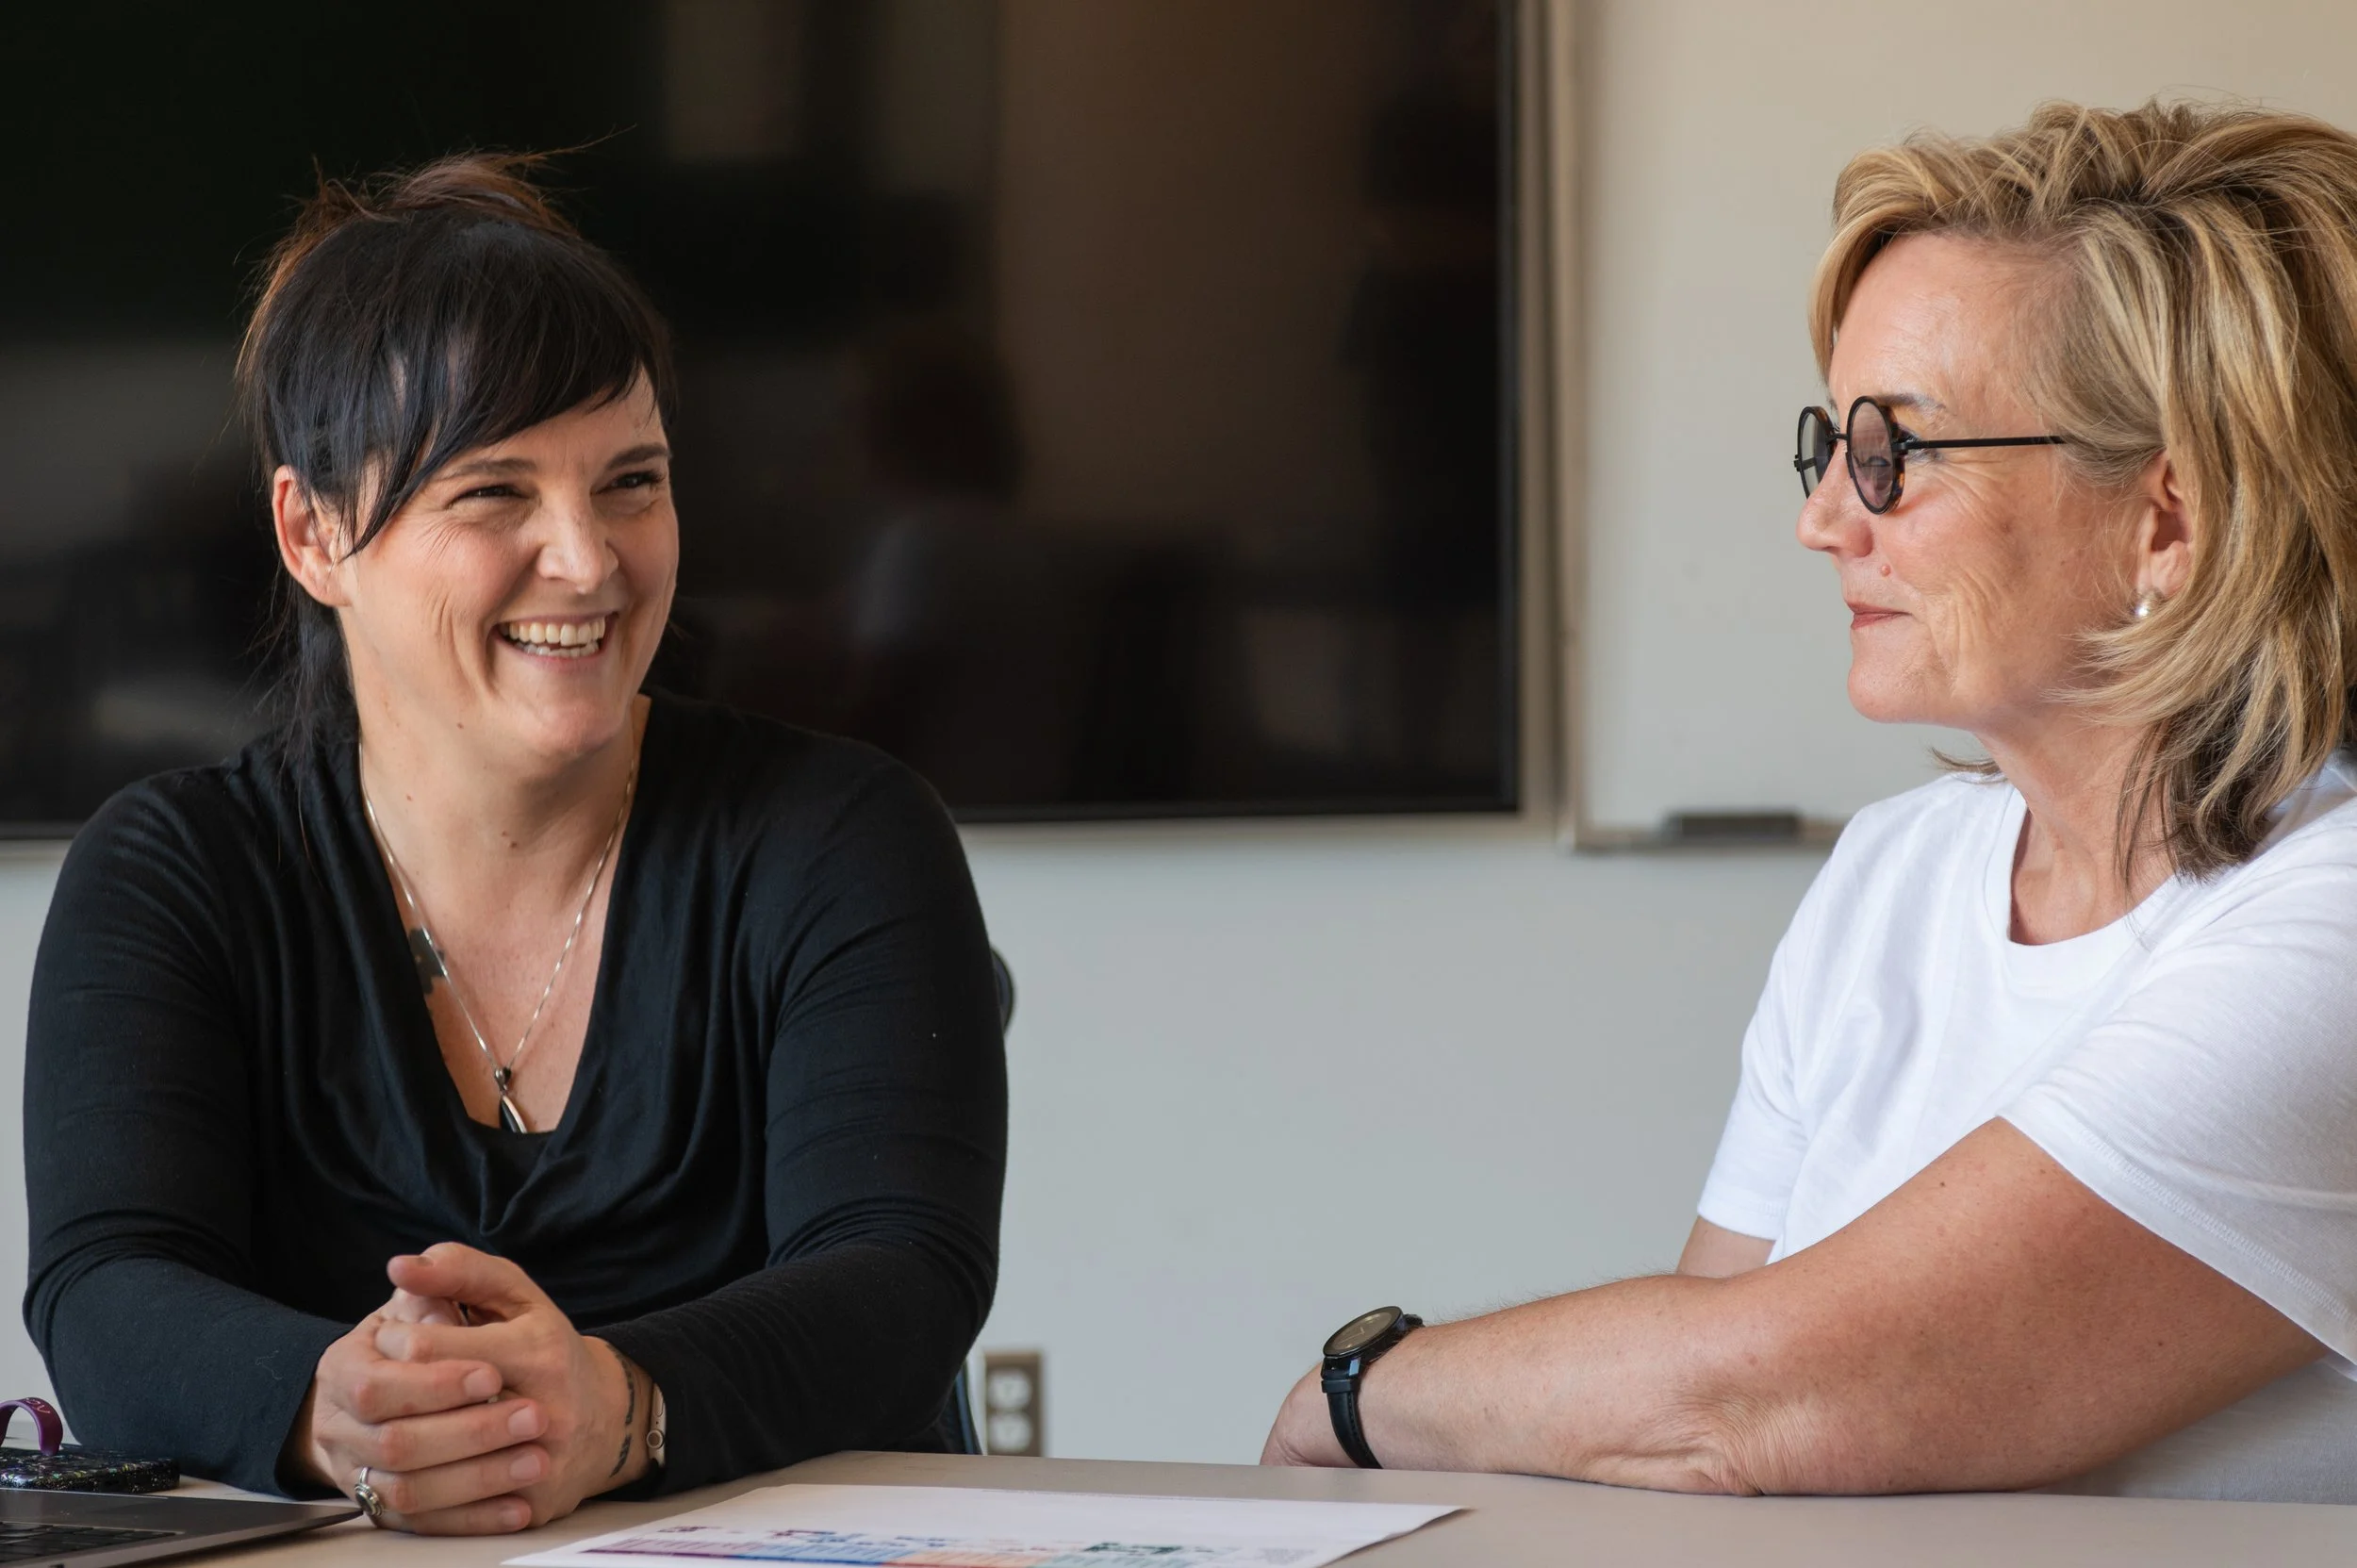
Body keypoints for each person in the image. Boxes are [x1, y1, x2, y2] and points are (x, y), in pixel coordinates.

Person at [1262, 99, 2357, 1502]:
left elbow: (1759, 1401)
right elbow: (1679, 1438)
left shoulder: (2328, 927)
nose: (1827, 517)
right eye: (1830, 445)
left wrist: (1350, 1392)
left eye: (1894, 454)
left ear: (2167, 518)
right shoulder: (1896, 874)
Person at [24, 156, 1007, 1533]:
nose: (590, 560)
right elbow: (110, 1285)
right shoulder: (172, 871)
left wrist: (617, 1404)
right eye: (495, 494)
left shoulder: (842, 835)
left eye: (631, 482)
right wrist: (330, 1399)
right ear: (312, 532)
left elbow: (904, 1267)